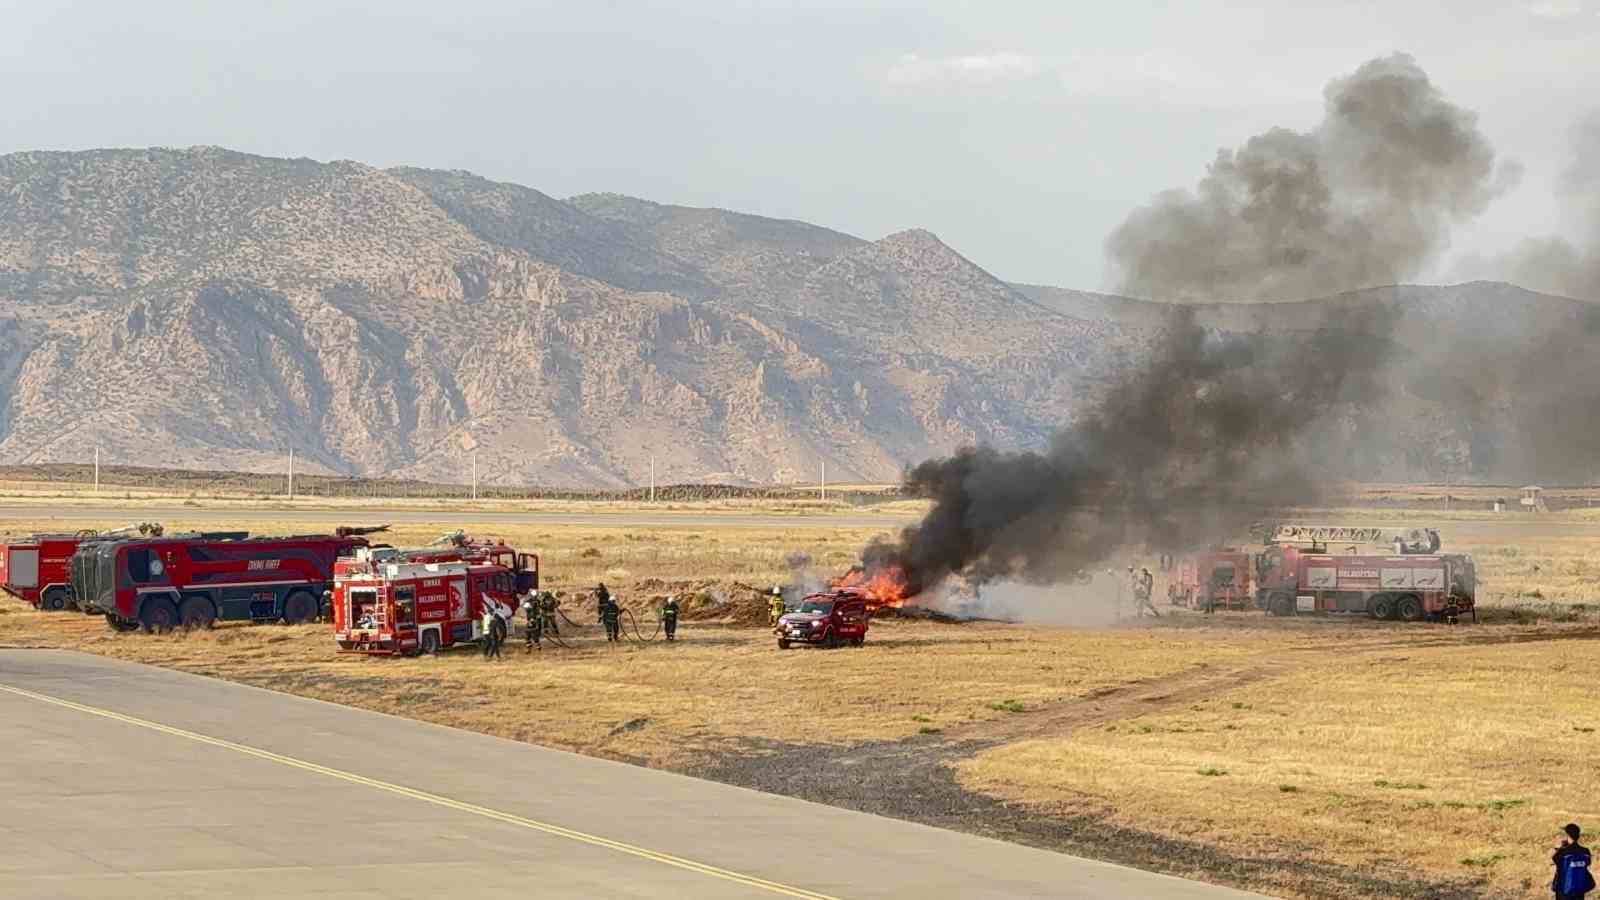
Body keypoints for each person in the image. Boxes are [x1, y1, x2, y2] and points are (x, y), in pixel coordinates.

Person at [1555, 823, 1594, 900]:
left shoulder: (1563, 852)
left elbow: (1555, 859)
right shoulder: (1585, 851)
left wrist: (1562, 848)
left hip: (1564, 892)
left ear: (1568, 836)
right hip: (1579, 891)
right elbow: (1588, 863)